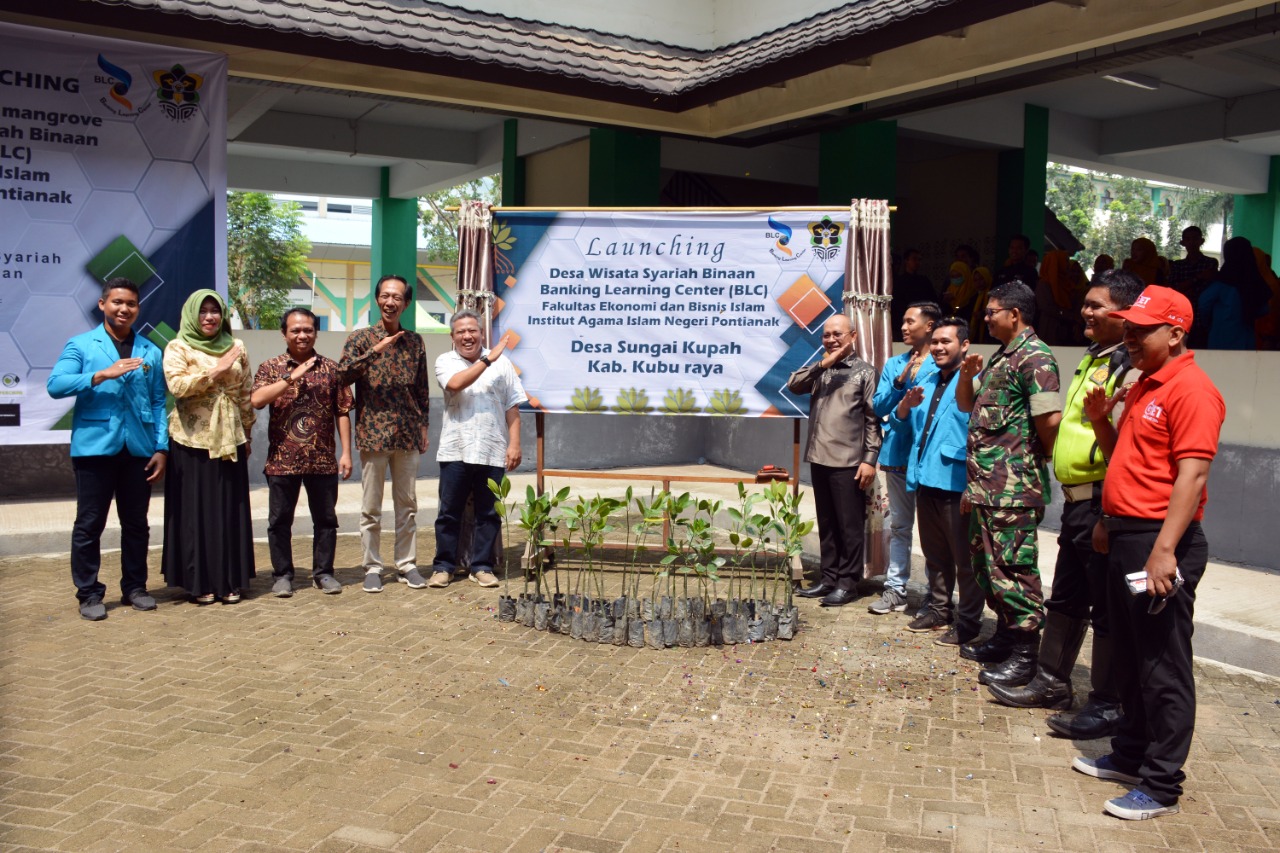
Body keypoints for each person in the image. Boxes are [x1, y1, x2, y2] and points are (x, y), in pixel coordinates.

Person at [1070, 285, 1224, 821]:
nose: (1130, 337)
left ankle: (1161, 785)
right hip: (1126, 535)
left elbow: (1192, 474)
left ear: (1176, 333)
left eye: (1142, 329)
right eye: (1128, 327)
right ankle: (1131, 754)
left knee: (1163, 664)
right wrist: (1098, 422)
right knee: (1132, 658)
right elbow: (1126, 465)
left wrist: (1164, 550)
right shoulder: (1143, 386)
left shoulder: (1193, 391)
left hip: (1162, 541)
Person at [987, 270, 1144, 740]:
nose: (1086, 312)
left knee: (1106, 607)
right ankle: (1051, 681)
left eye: (1098, 305)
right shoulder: (1095, 357)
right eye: (1087, 304)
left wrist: (1109, 511)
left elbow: (1124, 442)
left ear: (1125, 313)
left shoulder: (1128, 365)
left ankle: (1107, 702)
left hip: (1103, 498)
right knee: (1068, 596)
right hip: (1079, 499)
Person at [956, 280, 1062, 686]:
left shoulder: (1036, 358)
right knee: (990, 569)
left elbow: (1048, 423)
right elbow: (968, 403)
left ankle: (1025, 653)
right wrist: (967, 375)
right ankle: (1004, 636)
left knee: (1014, 571)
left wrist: (1031, 469)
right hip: (987, 488)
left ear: (1014, 315)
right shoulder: (1003, 358)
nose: (985, 317)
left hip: (1013, 492)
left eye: (991, 311)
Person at [47, 277, 169, 621]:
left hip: (139, 450)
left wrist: (161, 448)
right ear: (102, 305)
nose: (124, 309)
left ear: (138, 309)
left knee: (136, 524)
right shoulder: (81, 345)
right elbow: (55, 385)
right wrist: (102, 374)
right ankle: (88, 593)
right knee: (89, 524)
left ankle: (135, 587)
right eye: (117, 302)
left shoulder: (150, 350)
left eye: (131, 304)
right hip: (95, 449)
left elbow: (160, 401)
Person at [891, 316, 983, 643]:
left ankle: (969, 622)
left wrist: (977, 484)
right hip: (924, 478)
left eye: (947, 342)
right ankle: (939, 610)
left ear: (964, 345)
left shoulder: (973, 382)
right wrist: (903, 408)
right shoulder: (927, 379)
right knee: (935, 555)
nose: (939, 347)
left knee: (965, 559)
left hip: (957, 483)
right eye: (936, 342)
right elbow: (902, 428)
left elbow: (981, 437)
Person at [340, 275, 433, 593]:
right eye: (384, 296)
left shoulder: (415, 341)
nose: (390, 302)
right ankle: (372, 567)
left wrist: (424, 426)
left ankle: (407, 564)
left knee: (407, 506)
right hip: (373, 435)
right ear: (377, 299)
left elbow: (422, 389)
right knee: (371, 507)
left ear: (406, 303)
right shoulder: (360, 338)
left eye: (397, 297)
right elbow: (342, 376)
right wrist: (375, 350)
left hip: (407, 435)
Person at [251, 308, 354, 596]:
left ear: (316, 333)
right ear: (284, 333)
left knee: (326, 520)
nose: (302, 335)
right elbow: (257, 400)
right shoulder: (271, 367)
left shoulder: (332, 369)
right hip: (283, 460)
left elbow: (342, 411)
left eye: (308, 330)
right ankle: (282, 575)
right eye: (295, 330)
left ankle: (323, 573)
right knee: (279, 521)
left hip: (322, 460)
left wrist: (346, 453)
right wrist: (290, 377)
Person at [162, 289, 256, 604]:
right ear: (191, 314)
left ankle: (229, 579)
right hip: (191, 442)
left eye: (215, 311)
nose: (209, 317)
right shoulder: (178, 346)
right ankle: (199, 582)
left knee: (229, 510)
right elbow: (177, 386)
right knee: (196, 512)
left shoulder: (237, 346)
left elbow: (245, 391)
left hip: (230, 440)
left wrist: (248, 433)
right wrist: (214, 371)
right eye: (202, 311)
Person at [789, 313, 882, 607]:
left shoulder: (865, 373)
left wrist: (869, 459)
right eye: (826, 335)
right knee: (827, 523)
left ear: (852, 336)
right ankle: (828, 578)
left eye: (837, 334)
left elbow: (873, 419)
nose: (831, 339)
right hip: (819, 457)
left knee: (849, 526)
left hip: (849, 461)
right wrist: (822, 364)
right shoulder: (822, 370)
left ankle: (847, 582)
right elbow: (794, 384)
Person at [430, 311, 527, 588]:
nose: (467, 336)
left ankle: (482, 566)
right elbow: (455, 384)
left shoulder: (503, 363)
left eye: (472, 330)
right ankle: (443, 566)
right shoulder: (445, 361)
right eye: (460, 332)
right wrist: (487, 360)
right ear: (452, 337)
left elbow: (512, 406)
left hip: (492, 449)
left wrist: (515, 443)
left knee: (488, 512)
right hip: (455, 449)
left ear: (481, 333)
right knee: (449, 512)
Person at [868, 301, 940, 616]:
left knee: (933, 531)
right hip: (897, 453)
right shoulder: (895, 364)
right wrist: (900, 383)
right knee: (900, 525)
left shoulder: (942, 365)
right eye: (903, 322)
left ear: (930, 325)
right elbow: (879, 406)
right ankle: (895, 589)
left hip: (930, 458)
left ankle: (934, 595)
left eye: (911, 321)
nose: (904, 327)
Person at [1197, 235, 1269, 350]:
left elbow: (1203, 303)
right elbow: (1263, 309)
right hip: (1246, 340)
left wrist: (1209, 324)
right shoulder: (1254, 281)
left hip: (1220, 338)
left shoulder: (1222, 282)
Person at [1167, 226, 1218, 304]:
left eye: (1195, 239)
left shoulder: (1210, 262)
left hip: (1204, 310)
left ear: (1201, 241)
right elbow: (1172, 288)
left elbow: (1212, 288)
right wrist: (1199, 277)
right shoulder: (1177, 265)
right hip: (1181, 308)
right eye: (1188, 239)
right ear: (1183, 242)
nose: (1191, 242)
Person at [891, 250, 937, 331]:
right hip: (903, 321)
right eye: (914, 259)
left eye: (919, 259)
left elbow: (932, 301)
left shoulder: (924, 281)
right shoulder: (898, 282)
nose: (917, 262)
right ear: (906, 261)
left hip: (922, 320)